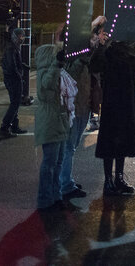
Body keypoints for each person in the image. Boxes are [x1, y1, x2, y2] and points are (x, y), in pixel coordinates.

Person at [90, 27, 135, 196]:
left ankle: (117, 178)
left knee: (120, 143)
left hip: (126, 103)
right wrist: (101, 46)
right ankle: (109, 180)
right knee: (111, 143)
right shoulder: (110, 50)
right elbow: (95, 65)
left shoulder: (129, 51)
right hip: (114, 103)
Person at [33, 42, 69, 212]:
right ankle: (45, 199)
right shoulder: (45, 73)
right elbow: (46, 88)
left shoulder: (57, 71)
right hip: (50, 120)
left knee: (58, 162)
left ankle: (56, 195)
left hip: (59, 120)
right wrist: (56, 64)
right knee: (50, 163)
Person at [60, 29, 92, 201]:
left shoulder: (86, 57)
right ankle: (65, 184)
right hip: (73, 109)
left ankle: (66, 180)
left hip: (83, 106)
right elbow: (70, 75)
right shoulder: (70, 57)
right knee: (68, 148)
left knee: (72, 146)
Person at [0, 28, 27, 138]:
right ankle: (4, 127)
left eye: (23, 36)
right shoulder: (12, 48)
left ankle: (14, 126)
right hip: (13, 79)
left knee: (15, 102)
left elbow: (14, 63)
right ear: (15, 37)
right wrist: (19, 76)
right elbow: (12, 65)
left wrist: (23, 66)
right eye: (21, 36)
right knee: (15, 103)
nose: (22, 38)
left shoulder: (13, 47)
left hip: (12, 78)